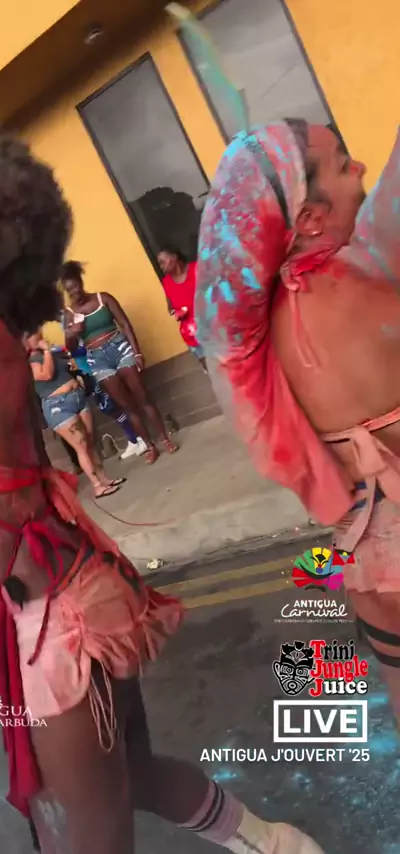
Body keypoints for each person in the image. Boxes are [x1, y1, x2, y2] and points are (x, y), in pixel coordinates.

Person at [0, 119, 323, 854]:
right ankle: (273, 843)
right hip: (40, 607)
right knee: (126, 780)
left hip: (62, 620)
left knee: (93, 830)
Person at [196, 118, 400, 725]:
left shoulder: (255, 340)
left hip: (365, 557)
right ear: (310, 217)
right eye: (343, 163)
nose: (360, 169)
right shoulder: (371, 271)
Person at [62, 261, 178, 465]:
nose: (75, 293)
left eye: (76, 287)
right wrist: (73, 332)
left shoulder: (103, 298)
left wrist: (137, 352)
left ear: (81, 282)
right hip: (97, 360)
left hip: (120, 348)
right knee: (127, 406)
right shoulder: (69, 314)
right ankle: (150, 446)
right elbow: (70, 347)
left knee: (143, 397)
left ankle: (165, 439)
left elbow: (125, 324)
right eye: (70, 291)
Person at [26, 331, 124, 498]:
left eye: (38, 331)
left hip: (77, 397)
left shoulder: (51, 352)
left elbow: (69, 365)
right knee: (81, 445)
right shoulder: (31, 360)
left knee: (90, 441)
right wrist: (47, 351)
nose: (39, 334)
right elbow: (46, 375)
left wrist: (66, 359)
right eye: (33, 333)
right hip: (58, 405)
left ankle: (104, 479)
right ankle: (97, 486)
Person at [70, 343, 148, 459]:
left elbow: (85, 349)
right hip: (90, 378)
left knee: (115, 406)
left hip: (99, 373)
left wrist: (69, 351)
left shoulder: (81, 337)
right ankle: (133, 439)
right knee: (109, 410)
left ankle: (140, 438)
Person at [158, 246, 207, 371]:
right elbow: (170, 307)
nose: (161, 266)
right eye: (159, 264)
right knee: (210, 368)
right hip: (192, 334)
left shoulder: (197, 269)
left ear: (174, 257)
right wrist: (176, 313)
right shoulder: (167, 282)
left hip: (213, 327)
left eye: (163, 262)